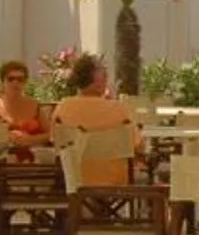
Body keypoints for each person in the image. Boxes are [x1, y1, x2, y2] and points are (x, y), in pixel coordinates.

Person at [50, 53, 141, 185]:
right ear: (99, 80)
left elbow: (56, 142)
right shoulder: (120, 110)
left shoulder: (63, 108)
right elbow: (137, 146)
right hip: (117, 182)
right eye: (105, 75)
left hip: (75, 182)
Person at [0, 60, 52, 157]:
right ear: (3, 81)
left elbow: (51, 134)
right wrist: (5, 136)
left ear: (25, 82)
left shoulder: (34, 104)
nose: (15, 82)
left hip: (32, 160)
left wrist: (31, 140)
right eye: (10, 79)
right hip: (2, 160)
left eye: (20, 79)